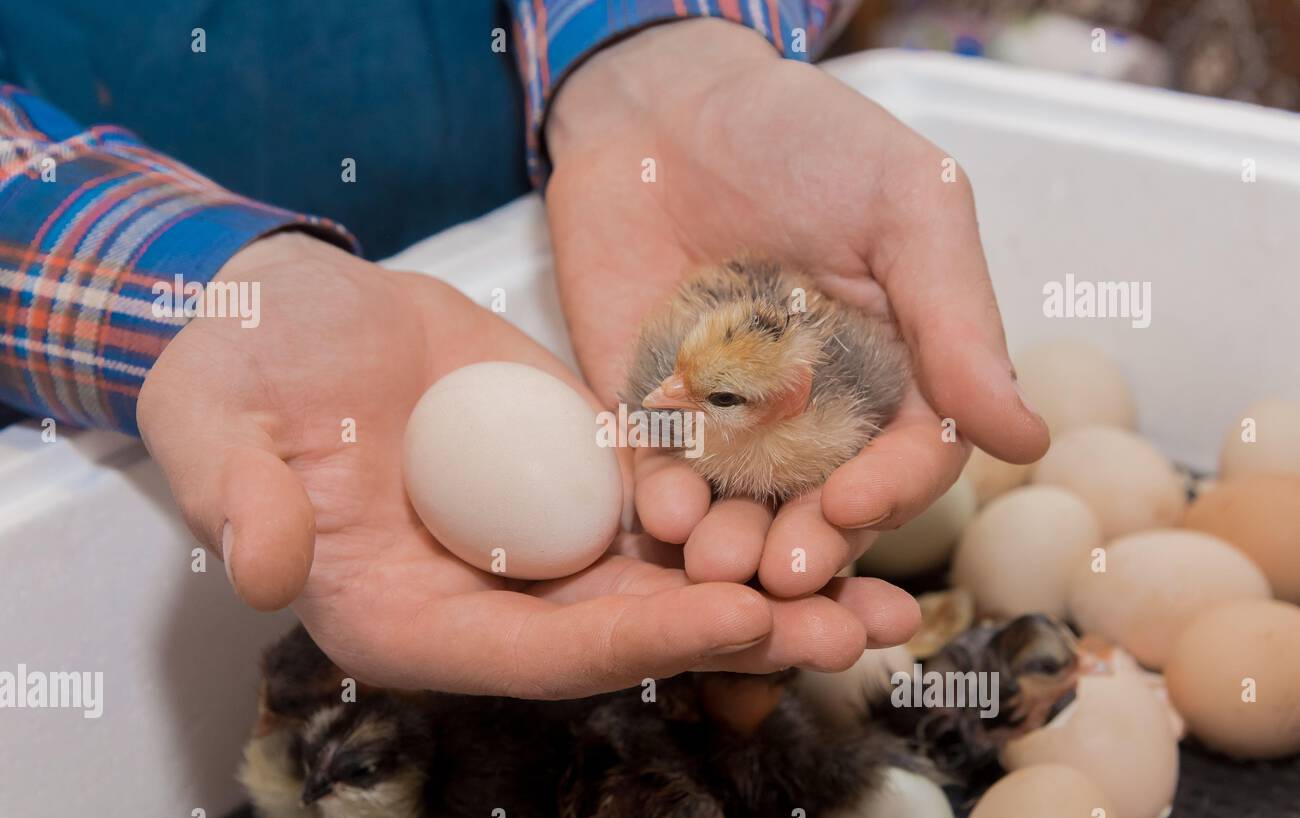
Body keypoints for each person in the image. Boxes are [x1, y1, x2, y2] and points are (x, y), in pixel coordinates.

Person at [0, 2, 1047, 697]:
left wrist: (655, 47)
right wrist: (188, 275)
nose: (665, 395)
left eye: (714, 397)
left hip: (549, 182)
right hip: (159, 279)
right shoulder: (699, 386)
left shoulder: (801, 402)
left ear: (785, 400)